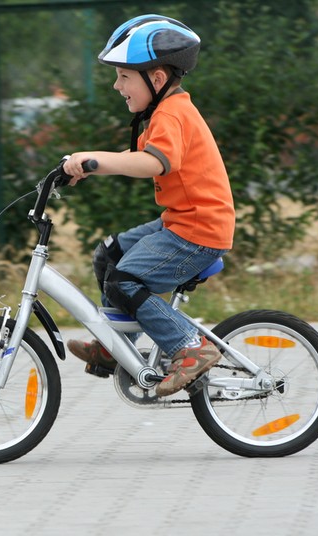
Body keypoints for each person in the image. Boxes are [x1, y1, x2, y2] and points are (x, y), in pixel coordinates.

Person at [63, 14, 235, 397]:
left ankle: (189, 347)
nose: (116, 85)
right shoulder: (165, 112)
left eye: (124, 76)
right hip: (181, 223)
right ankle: (115, 348)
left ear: (156, 79)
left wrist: (95, 159)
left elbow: (153, 163)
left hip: (198, 232)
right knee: (108, 256)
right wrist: (87, 168)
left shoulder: (172, 113)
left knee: (125, 280)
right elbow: (140, 155)